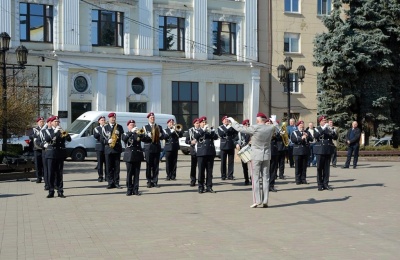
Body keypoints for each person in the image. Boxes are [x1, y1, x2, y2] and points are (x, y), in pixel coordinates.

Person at [228, 113, 276, 208]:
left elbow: (240, 128)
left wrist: (233, 121)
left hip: (255, 155)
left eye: (257, 118)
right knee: (266, 178)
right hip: (266, 155)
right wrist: (274, 120)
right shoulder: (271, 127)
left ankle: (257, 201)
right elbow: (277, 127)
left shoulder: (255, 127)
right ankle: (265, 200)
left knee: (255, 179)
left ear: (259, 119)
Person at [43, 116, 71, 198]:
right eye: (55, 121)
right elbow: (47, 139)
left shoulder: (61, 131)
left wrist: (65, 133)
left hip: (60, 154)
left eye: (58, 121)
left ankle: (60, 191)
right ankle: (51, 191)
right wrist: (55, 132)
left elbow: (69, 139)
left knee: (59, 173)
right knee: (51, 173)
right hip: (51, 154)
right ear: (51, 123)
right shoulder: (47, 131)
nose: (57, 123)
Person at [194, 116, 218, 194]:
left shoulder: (209, 131)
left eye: (205, 122)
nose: (204, 123)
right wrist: (203, 130)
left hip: (210, 153)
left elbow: (216, 137)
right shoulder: (198, 131)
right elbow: (196, 136)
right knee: (201, 171)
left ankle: (209, 187)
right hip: (201, 153)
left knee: (209, 171)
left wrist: (212, 131)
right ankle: (200, 187)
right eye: (203, 122)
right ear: (200, 124)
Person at [313, 116, 337, 191]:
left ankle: (326, 184)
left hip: (327, 149)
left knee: (327, 168)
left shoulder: (329, 128)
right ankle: (320, 185)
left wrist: (332, 131)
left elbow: (335, 137)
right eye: (323, 120)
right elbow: (316, 136)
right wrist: (323, 129)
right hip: (320, 150)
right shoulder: (317, 128)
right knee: (319, 168)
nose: (325, 122)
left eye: (325, 120)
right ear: (320, 122)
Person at [142, 112, 165, 188]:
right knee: (149, 165)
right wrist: (148, 137)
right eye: (151, 117)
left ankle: (155, 181)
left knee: (156, 166)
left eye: (153, 117)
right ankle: (149, 181)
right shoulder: (145, 127)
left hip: (156, 148)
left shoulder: (159, 127)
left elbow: (163, 137)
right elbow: (142, 138)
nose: (152, 118)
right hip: (148, 148)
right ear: (148, 118)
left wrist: (161, 135)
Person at [102, 112, 124, 189]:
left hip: (117, 149)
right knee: (109, 167)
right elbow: (102, 139)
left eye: (114, 118)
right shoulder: (105, 127)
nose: (113, 119)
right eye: (111, 118)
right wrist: (107, 141)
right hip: (108, 149)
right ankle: (110, 182)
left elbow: (122, 136)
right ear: (109, 118)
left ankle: (116, 182)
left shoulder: (119, 127)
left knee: (117, 167)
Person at [122, 120, 144, 196]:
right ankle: (129, 189)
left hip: (137, 155)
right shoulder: (125, 133)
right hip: (129, 156)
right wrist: (131, 131)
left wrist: (140, 133)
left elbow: (143, 138)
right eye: (131, 125)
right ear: (128, 126)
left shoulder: (137, 133)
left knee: (136, 174)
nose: (133, 126)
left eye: (134, 125)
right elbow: (124, 139)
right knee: (129, 173)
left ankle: (136, 190)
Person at [290, 120, 313, 185]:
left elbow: (311, 139)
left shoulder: (307, 132)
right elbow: (293, 140)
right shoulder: (294, 132)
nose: (302, 127)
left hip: (305, 151)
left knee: (304, 167)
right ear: (298, 126)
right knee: (298, 166)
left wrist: (307, 136)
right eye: (300, 125)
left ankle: (303, 179)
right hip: (297, 151)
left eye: (303, 126)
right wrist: (301, 138)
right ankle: (298, 180)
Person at [218, 116, 238, 180]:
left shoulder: (232, 127)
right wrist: (228, 128)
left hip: (231, 145)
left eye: (227, 120)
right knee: (223, 161)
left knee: (231, 162)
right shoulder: (220, 127)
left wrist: (234, 141)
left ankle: (230, 175)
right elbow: (221, 134)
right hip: (223, 146)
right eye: (225, 120)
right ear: (222, 121)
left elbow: (236, 134)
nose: (226, 121)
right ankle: (223, 175)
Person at [234, 119, 251, 185]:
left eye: (248, 124)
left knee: (252, 166)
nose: (247, 126)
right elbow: (235, 140)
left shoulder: (251, 132)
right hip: (243, 150)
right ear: (243, 125)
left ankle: (252, 178)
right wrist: (236, 144)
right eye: (246, 124)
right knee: (244, 167)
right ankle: (246, 179)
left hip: (250, 149)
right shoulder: (240, 133)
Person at [29, 117, 45, 183]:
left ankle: (45, 177)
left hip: (44, 148)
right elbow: (30, 136)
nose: (42, 123)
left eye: (43, 121)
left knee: (44, 164)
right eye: (41, 121)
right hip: (36, 149)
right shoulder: (35, 129)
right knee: (38, 164)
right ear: (38, 122)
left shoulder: (45, 128)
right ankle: (39, 177)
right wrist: (36, 134)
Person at [185, 118, 200, 187]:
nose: (198, 124)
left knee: (201, 167)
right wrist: (191, 142)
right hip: (194, 150)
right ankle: (193, 180)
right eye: (196, 123)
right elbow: (186, 141)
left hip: (201, 151)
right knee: (193, 166)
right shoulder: (190, 130)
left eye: (199, 123)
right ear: (194, 124)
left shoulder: (202, 129)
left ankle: (201, 180)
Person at [267, 118, 279, 192]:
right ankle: (265, 185)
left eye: (270, 123)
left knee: (273, 170)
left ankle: (271, 185)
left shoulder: (275, 131)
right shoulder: (263, 131)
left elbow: (279, 138)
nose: (269, 124)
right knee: (266, 170)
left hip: (274, 152)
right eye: (268, 123)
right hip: (265, 152)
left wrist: (277, 132)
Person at [93, 116, 106, 182]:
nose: (103, 121)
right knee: (100, 163)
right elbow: (96, 136)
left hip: (106, 147)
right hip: (99, 147)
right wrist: (102, 132)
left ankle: (107, 176)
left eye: (104, 120)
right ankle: (100, 176)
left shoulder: (107, 128)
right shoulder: (96, 128)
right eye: (102, 120)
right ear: (99, 121)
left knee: (107, 163)